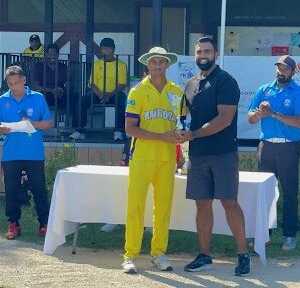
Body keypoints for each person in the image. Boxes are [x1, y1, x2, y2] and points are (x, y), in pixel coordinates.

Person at [179, 37, 250, 276]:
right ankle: (204, 255)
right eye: (199, 51)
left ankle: (242, 255)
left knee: (229, 202)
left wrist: (194, 134)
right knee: (202, 204)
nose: (202, 55)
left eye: (207, 51)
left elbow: (224, 119)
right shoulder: (189, 84)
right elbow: (183, 118)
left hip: (223, 152)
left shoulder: (226, 81)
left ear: (216, 54)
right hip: (198, 153)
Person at [121, 47, 183, 274]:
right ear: (147, 65)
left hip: (167, 157)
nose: (157, 65)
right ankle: (130, 254)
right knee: (135, 205)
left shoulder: (177, 91)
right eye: (153, 62)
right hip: (142, 156)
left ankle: (158, 253)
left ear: (167, 65)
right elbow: (130, 129)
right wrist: (161, 137)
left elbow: (181, 125)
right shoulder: (138, 91)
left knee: (163, 207)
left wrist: (181, 142)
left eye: (161, 62)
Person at [247, 55, 300, 251]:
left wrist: (273, 113)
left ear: (292, 72)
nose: (280, 72)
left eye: (285, 69)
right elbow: (250, 118)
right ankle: (264, 235)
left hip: (288, 146)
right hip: (266, 146)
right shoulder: (264, 90)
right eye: (278, 68)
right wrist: (259, 113)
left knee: (289, 192)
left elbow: (298, 122)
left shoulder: (299, 93)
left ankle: (289, 235)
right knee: (265, 192)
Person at [0, 65, 53, 240]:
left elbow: (48, 123)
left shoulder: (38, 98)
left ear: (24, 81)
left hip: (34, 153)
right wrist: (1, 129)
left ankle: (44, 224)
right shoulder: (1, 100)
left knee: (39, 189)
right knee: (11, 190)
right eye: (10, 84)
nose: (14, 87)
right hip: (11, 154)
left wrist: (33, 124)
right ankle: (13, 224)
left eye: (16, 83)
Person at [70, 37, 127, 141]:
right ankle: (79, 130)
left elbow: (122, 85)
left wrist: (108, 95)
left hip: (114, 93)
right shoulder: (97, 64)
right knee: (82, 100)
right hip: (98, 93)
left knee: (122, 100)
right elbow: (92, 83)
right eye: (103, 49)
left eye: (108, 49)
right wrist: (101, 94)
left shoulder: (122, 65)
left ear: (113, 50)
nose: (106, 51)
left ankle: (119, 131)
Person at [33, 44, 71, 111]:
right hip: (46, 93)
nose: (52, 56)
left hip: (60, 94)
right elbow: (36, 86)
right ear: (46, 55)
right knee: (44, 97)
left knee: (75, 98)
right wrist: (51, 91)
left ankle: (74, 121)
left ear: (58, 55)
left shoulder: (63, 66)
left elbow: (68, 83)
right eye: (50, 54)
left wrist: (63, 90)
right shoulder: (39, 66)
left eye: (55, 54)